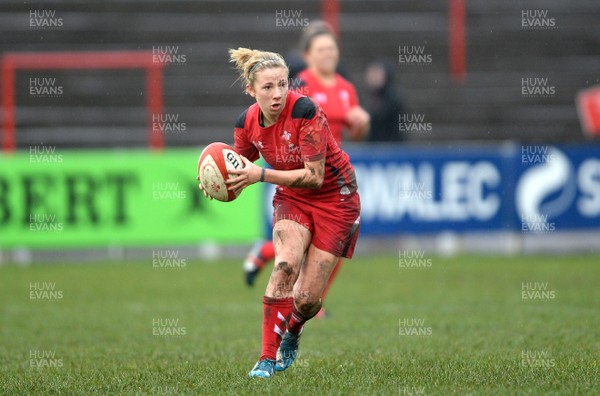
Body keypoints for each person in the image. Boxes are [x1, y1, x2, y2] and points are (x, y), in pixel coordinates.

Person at [199, 47, 361, 378]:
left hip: (336, 198)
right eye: (267, 87)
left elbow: (314, 177)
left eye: (282, 85)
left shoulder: (305, 110)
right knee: (285, 264)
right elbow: (236, 168)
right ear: (251, 90)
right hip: (293, 198)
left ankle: (294, 332)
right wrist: (214, 182)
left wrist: (260, 175)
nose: (277, 95)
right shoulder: (245, 123)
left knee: (305, 299)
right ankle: (266, 359)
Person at [243, 22, 369, 319]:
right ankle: (276, 266)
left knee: (331, 248)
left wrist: (362, 124)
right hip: (302, 172)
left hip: (330, 172)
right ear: (308, 55)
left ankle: (311, 297)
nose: (328, 54)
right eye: (321, 49)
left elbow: (356, 134)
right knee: (303, 241)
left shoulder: (346, 88)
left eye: (332, 48)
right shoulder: (298, 85)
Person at [363, 59, 407, 142]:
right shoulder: (371, 97)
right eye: (371, 73)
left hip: (391, 146)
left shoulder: (394, 97)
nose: (372, 77)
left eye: (376, 74)